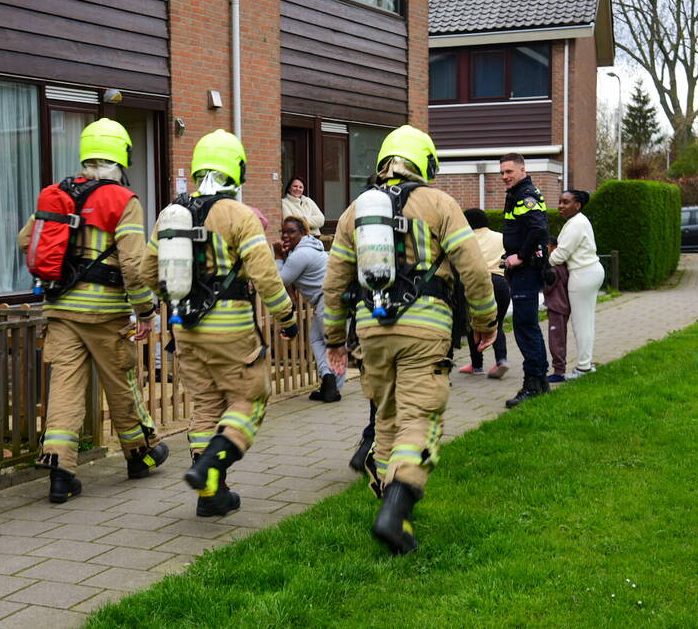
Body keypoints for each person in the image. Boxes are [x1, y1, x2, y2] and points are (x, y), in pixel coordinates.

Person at [323, 125, 497, 555]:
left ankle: (390, 508)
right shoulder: (439, 203)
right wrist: (485, 318)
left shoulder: (354, 212)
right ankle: (395, 509)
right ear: (425, 163)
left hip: (371, 332)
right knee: (420, 416)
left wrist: (333, 337)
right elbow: (473, 267)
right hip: (425, 329)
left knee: (386, 416)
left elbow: (334, 282)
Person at [141, 130, 298, 517]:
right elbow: (265, 276)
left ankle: (212, 495)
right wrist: (287, 317)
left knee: (206, 405)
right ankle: (211, 464)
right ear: (237, 170)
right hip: (232, 331)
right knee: (251, 398)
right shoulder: (239, 215)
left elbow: (146, 271)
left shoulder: (169, 214)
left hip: (186, 331)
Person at [18, 118, 169, 503]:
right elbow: (134, 265)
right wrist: (146, 311)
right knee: (121, 382)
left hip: (61, 310)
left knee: (64, 389)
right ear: (122, 157)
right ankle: (140, 455)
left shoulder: (57, 193)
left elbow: (25, 241)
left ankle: (60, 471)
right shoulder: (123, 201)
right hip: (105, 313)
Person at [274, 215, 345, 402]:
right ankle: (330, 385)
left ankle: (331, 385)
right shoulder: (311, 248)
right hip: (335, 299)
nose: (286, 235)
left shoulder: (301, 254)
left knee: (329, 344)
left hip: (328, 301)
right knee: (320, 340)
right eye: (284, 231)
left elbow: (280, 281)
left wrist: (278, 256)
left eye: (291, 231)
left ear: (304, 232)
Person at [499, 152, 551, 408]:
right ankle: (540, 382)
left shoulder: (525, 194)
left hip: (526, 271)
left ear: (522, 169)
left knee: (525, 326)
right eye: (502, 173)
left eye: (509, 171)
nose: (505, 176)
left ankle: (533, 384)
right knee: (529, 325)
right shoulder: (519, 193)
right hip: (526, 269)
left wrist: (519, 256)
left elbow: (537, 228)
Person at [550, 189, 604, 378]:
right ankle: (585, 364)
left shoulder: (576, 224)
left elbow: (559, 255)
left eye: (565, 202)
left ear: (577, 205)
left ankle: (583, 368)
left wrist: (543, 259)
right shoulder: (578, 221)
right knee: (585, 322)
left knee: (581, 324)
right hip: (589, 272)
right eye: (559, 202)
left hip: (582, 275)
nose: (560, 206)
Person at [458, 208, 511, 379]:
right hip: (500, 283)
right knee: (497, 323)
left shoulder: (466, 239)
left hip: (476, 283)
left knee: (472, 324)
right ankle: (501, 360)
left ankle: (477, 365)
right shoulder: (501, 237)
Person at [543, 236, 571, 383]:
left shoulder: (554, 268)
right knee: (560, 337)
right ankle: (560, 368)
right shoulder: (564, 265)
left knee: (556, 339)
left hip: (556, 306)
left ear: (554, 248)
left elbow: (548, 287)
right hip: (564, 305)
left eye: (546, 246)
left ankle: (559, 371)